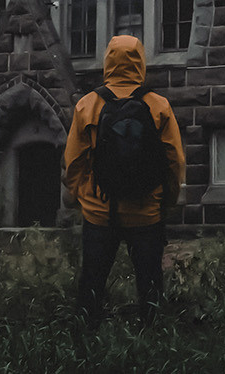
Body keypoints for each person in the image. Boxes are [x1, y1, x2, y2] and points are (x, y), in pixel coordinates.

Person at [65, 33, 185, 327]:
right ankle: (151, 342)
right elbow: (175, 162)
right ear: (140, 62)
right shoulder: (158, 106)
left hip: (99, 213)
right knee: (149, 285)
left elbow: (73, 164)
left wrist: (86, 200)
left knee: (92, 284)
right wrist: (164, 203)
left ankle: (85, 341)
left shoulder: (87, 105)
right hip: (146, 213)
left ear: (107, 61)